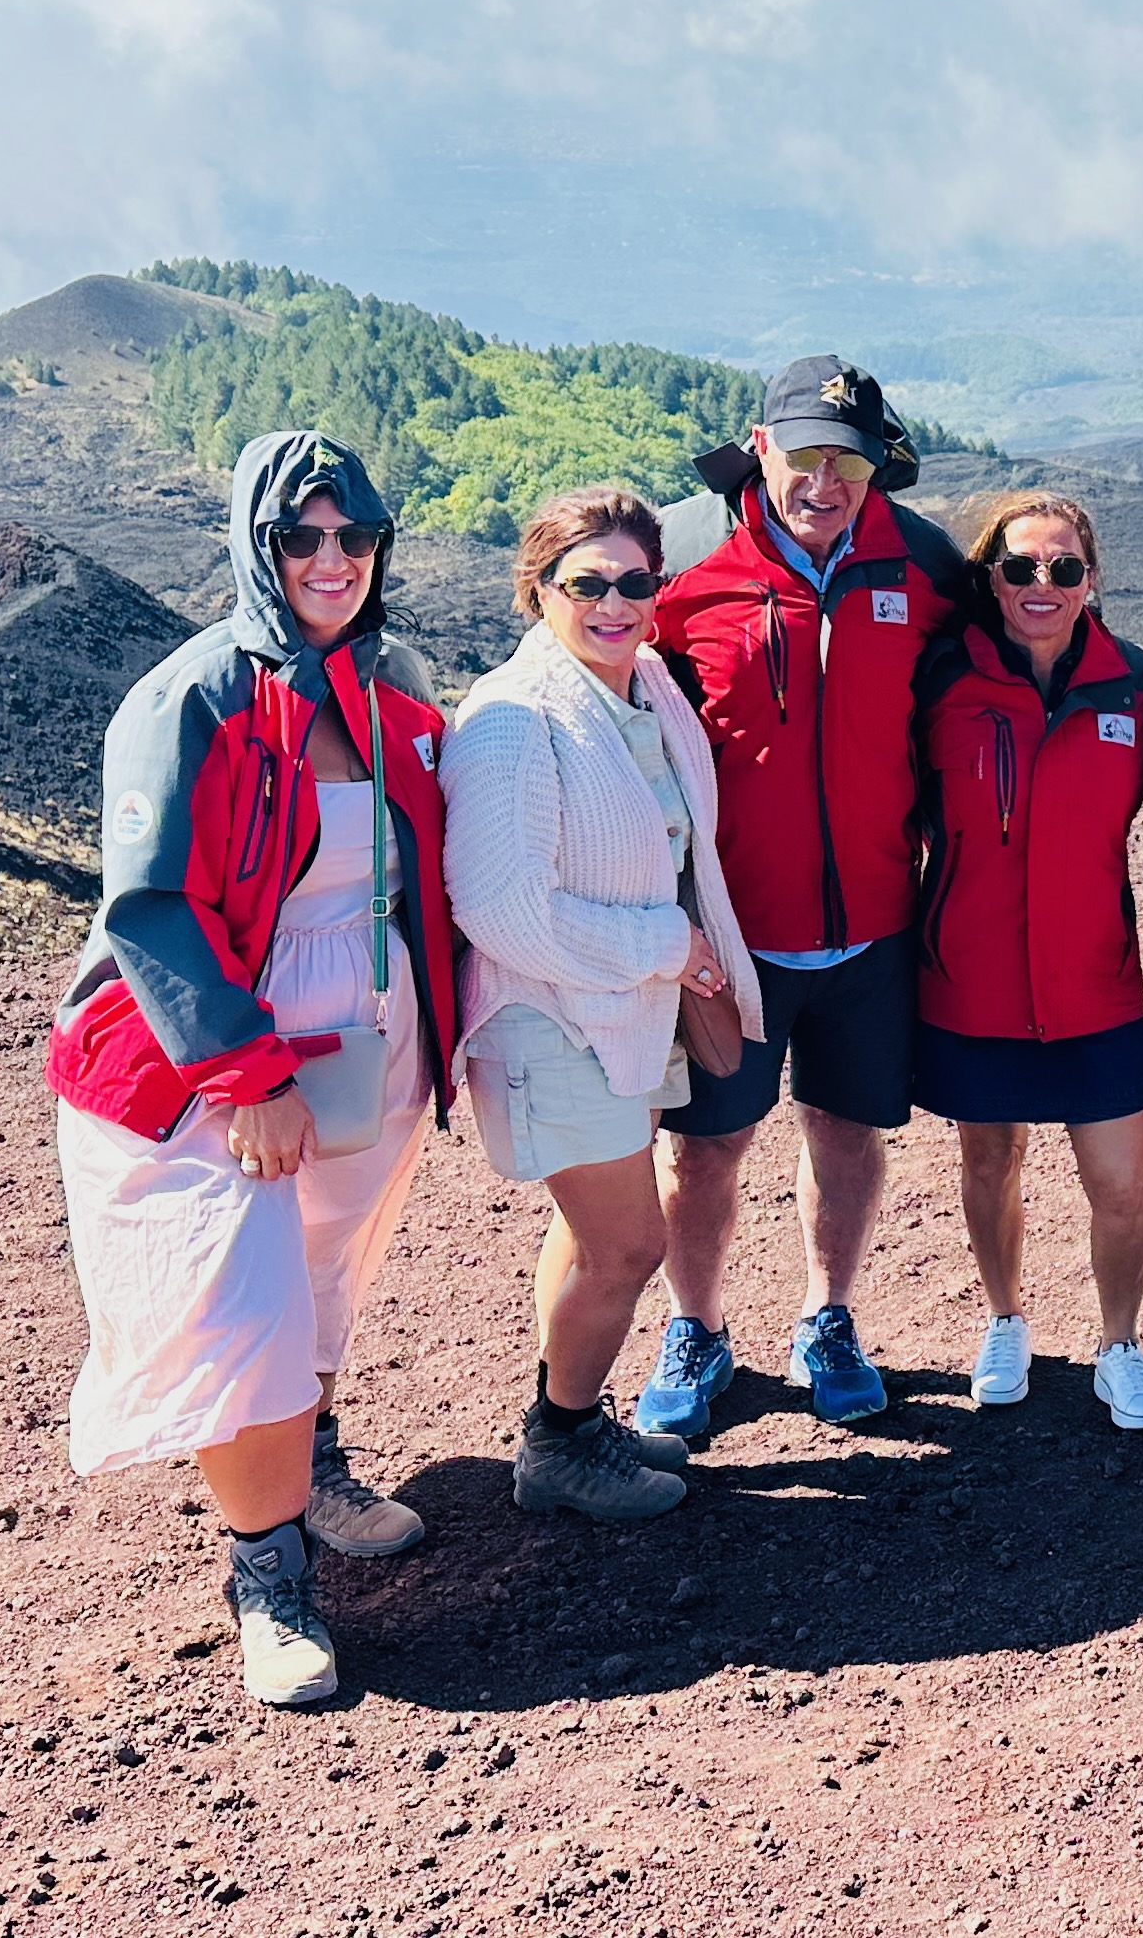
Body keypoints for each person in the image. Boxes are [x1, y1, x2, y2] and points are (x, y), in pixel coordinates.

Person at [45, 433, 459, 1710]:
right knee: (248, 1315)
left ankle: (311, 1466)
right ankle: (267, 1579)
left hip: (359, 1052)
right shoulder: (194, 699)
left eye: (354, 536)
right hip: (211, 1067)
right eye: (301, 538)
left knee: (325, 1282)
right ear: (255, 549)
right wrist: (243, 1076)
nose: (331, 560)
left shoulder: (391, 691)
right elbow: (151, 909)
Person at [643, 358, 965, 1437]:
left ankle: (830, 1315)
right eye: (806, 454)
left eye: (852, 461)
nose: (826, 481)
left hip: (875, 921)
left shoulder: (921, 564)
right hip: (733, 935)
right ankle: (696, 1327)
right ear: (761, 444)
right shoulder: (684, 570)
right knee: (707, 1147)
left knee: (847, 1133)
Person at [444, 487, 768, 1523]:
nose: (616, 601)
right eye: (588, 583)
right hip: (552, 1017)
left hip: (612, 1011)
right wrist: (662, 947)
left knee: (594, 1236)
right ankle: (558, 1441)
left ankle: (573, 1419)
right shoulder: (511, 720)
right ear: (538, 589)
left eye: (637, 582)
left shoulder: (646, 686)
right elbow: (500, 908)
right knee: (630, 1245)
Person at [912, 492, 1143, 1429]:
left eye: (1063, 568)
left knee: (1120, 1183)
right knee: (990, 1159)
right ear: (991, 577)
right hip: (971, 976)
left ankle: (1121, 1343)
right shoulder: (941, 680)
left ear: (1091, 581)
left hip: (1093, 979)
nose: (1042, 585)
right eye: (1021, 567)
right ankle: (1006, 1320)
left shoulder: (1138, 686)